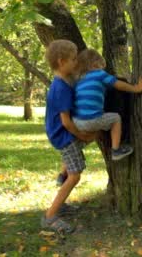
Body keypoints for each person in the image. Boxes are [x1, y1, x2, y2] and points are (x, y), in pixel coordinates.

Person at [42, 40, 97, 234]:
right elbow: (65, 122)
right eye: (73, 59)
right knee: (75, 176)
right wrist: (81, 134)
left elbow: (78, 76)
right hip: (63, 135)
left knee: (92, 135)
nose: (76, 63)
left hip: (62, 133)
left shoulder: (66, 79)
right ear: (61, 61)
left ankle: (61, 178)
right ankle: (50, 216)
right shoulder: (61, 88)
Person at [73, 48, 142, 161]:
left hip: (77, 122)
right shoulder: (99, 74)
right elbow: (118, 85)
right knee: (115, 119)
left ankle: (73, 153)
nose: (103, 69)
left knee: (92, 131)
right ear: (95, 64)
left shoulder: (79, 80)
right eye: (101, 66)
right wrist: (136, 88)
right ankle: (116, 150)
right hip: (93, 119)